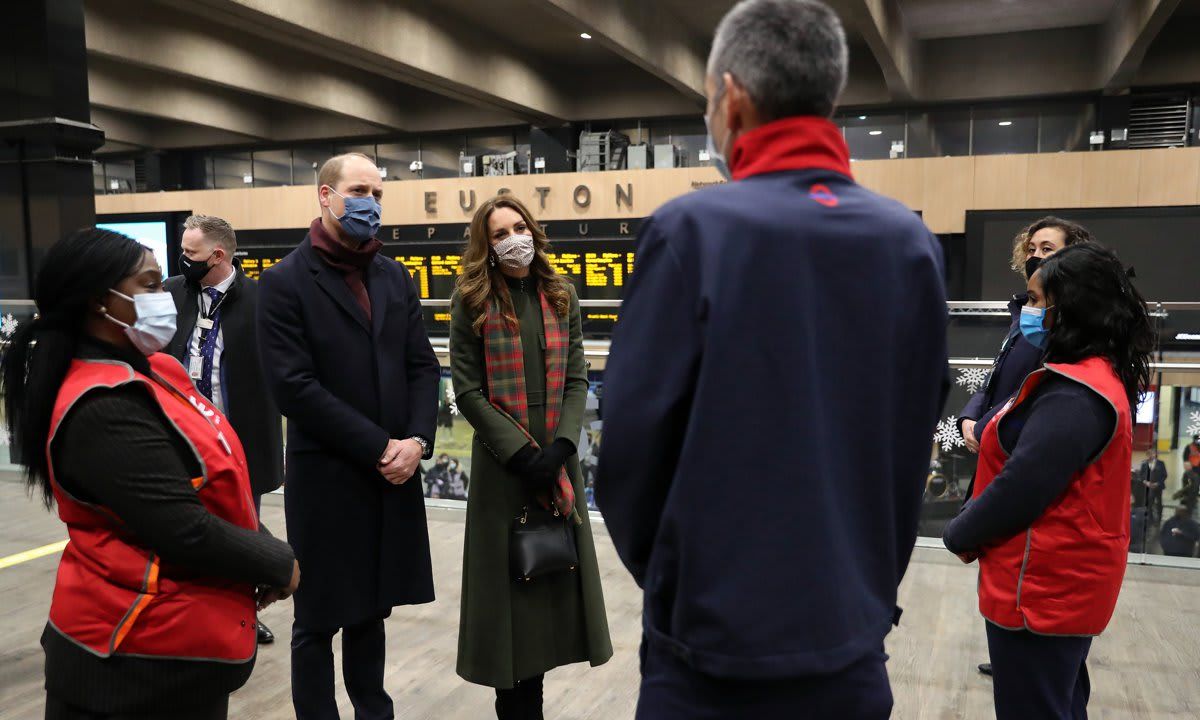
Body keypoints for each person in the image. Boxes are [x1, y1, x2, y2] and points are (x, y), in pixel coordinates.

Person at [596, 2, 948, 717]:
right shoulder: (908, 245)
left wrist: (679, 583)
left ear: (732, 96)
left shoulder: (691, 231)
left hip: (710, 661)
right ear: (831, 95)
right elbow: (912, 451)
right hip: (851, 645)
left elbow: (630, 454)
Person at [0, 228, 298, 720]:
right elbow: (182, 527)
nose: (166, 297)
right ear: (101, 302)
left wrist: (253, 543)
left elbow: (209, 483)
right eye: (151, 284)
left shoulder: (155, 370)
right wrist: (276, 561)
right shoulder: (103, 404)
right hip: (131, 657)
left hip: (183, 638)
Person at [256, 152, 441, 719]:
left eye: (379, 193)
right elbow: (295, 388)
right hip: (329, 478)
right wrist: (379, 445)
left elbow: (422, 366)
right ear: (326, 197)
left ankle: (373, 710)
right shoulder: (286, 282)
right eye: (361, 190)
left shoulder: (392, 275)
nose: (372, 202)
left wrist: (416, 440)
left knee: (371, 609)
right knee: (316, 619)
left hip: (392, 474)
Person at [944, 242, 1154, 720]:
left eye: (1038, 302)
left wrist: (960, 532)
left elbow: (1024, 486)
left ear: (1071, 308)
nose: (1030, 312)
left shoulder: (1075, 394)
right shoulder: (1086, 376)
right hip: (1054, 583)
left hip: (1042, 588)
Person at [450, 194, 612, 719]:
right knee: (510, 610)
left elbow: (576, 379)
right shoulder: (470, 301)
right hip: (505, 469)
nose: (512, 238)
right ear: (487, 245)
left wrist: (561, 447)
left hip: (556, 462)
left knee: (548, 602)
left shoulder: (562, 293)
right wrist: (523, 455)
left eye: (519, 227)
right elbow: (469, 392)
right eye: (499, 234)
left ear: (534, 231)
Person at [957, 216, 1092, 677]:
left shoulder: (1070, 327)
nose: (1036, 254)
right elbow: (999, 377)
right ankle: (1012, 648)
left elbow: (1036, 397)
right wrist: (972, 414)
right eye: (1032, 246)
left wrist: (995, 425)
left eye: (1048, 247)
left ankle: (1022, 652)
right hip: (999, 439)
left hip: (1024, 453)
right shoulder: (1025, 314)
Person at [165, 214, 284, 645]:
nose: (183, 260)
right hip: (177, 435)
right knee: (181, 524)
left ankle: (244, 612)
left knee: (241, 526)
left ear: (218, 256)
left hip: (237, 438)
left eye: (191, 253)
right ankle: (187, 607)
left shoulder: (261, 299)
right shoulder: (170, 292)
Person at [1135, 448, 1168, 522]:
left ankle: (1159, 518)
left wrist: (1158, 483)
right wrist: (1146, 482)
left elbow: (1164, 475)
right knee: (1149, 503)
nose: (1151, 455)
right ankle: (1151, 519)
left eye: (1153, 454)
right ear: (1147, 455)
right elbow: (1141, 475)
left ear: (1155, 454)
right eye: (1150, 454)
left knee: (1159, 502)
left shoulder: (1161, 463)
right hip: (1148, 487)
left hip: (1158, 487)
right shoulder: (1144, 464)